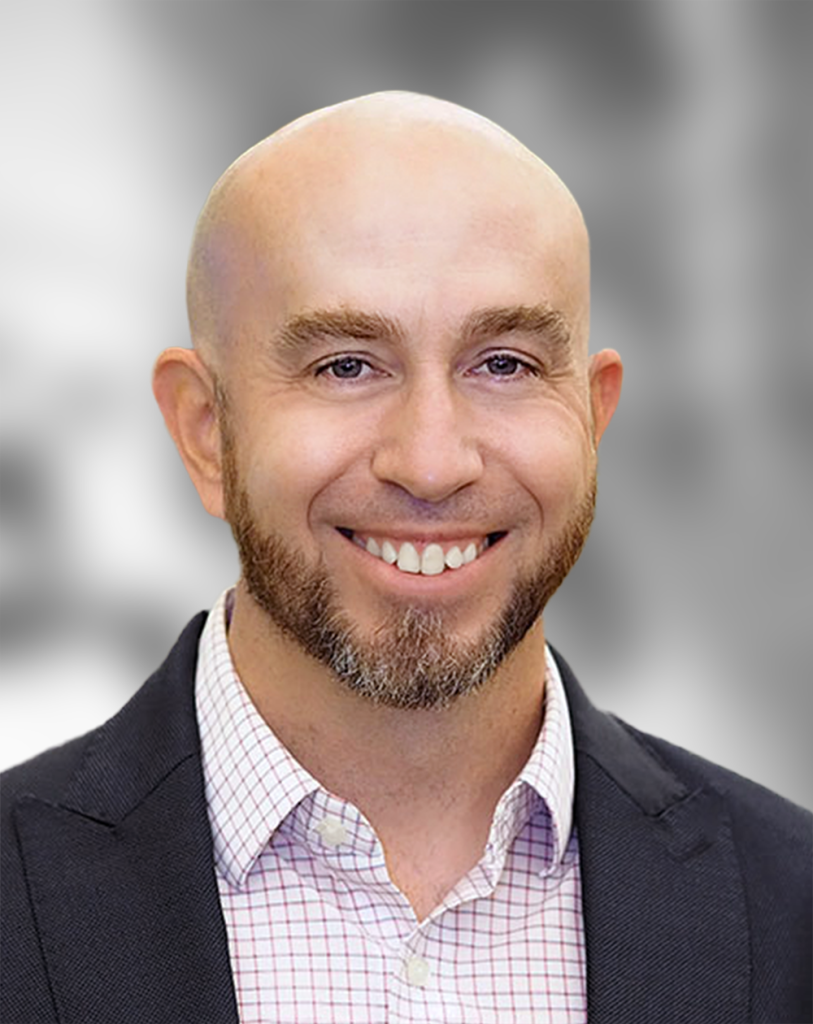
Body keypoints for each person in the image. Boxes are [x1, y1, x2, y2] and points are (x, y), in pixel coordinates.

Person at [1, 92, 810, 1024]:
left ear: (592, 417)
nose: (431, 462)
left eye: (503, 363)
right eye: (346, 365)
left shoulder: (792, 910)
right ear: (205, 432)